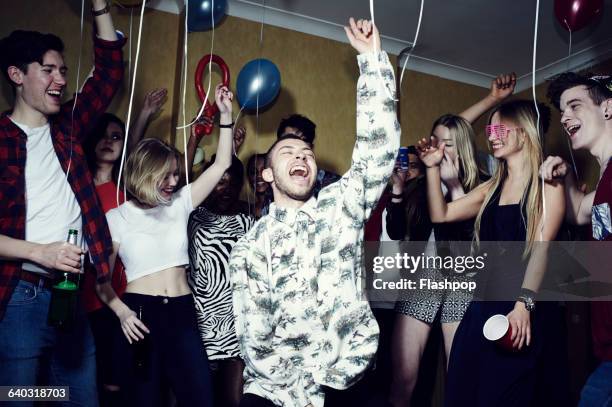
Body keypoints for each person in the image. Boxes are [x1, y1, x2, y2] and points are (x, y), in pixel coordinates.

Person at [228, 17, 400, 407]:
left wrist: (372, 61)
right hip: (276, 393)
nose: (301, 156)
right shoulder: (251, 245)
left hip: (346, 382)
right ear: (267, 174)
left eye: (306, 153)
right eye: (287, 152)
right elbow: (253, 333)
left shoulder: (341, 208)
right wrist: (299, 393)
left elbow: (378, 149)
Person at [0, 2, 124, 403]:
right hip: (22, 296)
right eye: (48, 69)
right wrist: (42, 252)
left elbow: (108, 74)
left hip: (71, 295)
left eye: (63, 70)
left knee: (78, 397)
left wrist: (101, 5)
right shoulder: (1, 139)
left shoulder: (67, 128)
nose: (60, 79)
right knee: (20, 397)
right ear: (17, 75)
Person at [95, 83, 234, 406]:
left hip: (184, 315)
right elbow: (101, 280)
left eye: (175, 174)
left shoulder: (180, 203)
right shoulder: (117, 218)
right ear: (146, 173)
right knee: (144, 400)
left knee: (201, 399)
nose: (174, 181)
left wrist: (225, 115)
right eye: (167, 175)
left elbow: (221, 163)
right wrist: (122, 313)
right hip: (140, 316)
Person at [420, 100, 566, 405]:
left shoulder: (547, 185)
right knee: (463, 392)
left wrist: (524, 305)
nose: (492, 135)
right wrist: (432, 168)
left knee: (508, 394)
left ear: (524, 133)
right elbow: (441, 214)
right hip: (482, 308)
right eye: (489, 129)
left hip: (523, 307)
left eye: (499, 128)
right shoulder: (492, 187)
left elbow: (542, 249)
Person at [389, 115, 487, 407]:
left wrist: (456, 188)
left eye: (448, 143)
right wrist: (397, 191)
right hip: (423, 279)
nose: (440, 149)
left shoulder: (483, 183)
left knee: (458, 375)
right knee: (403, 378)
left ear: (463, 148)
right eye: (436, 142)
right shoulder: (420, 187)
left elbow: (477, 246)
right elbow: (397, 231)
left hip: (463, 282)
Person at [81, 88, 166, 406]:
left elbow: (134, 155)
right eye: (103, 135)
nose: (108, 141)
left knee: (121, 377)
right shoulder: (80, 185)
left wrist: (144, 114)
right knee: (88, 377)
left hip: (123, 296)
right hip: (85, 295)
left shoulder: (125, 190)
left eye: (115, 136)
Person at [541, 73, 612, 406]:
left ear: (608, 108)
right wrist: (564, 178)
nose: (565, 116)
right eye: (562, 110)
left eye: (575, 105)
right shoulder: (604, 184)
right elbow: (578, 212)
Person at [187, 154, 254, 407]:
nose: (226, 190)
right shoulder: (192, 217)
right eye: (220, 182)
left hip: (236, 327)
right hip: (198, 324)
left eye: (233, 183)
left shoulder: (248, 221)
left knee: (233, 402)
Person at [277, 113, 342, 195]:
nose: (296, 145)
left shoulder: (334, 185)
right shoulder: (273, 183)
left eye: (303, 141)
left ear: (311, 148)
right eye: (289, 139)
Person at [246, 153, 271, 219]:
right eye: (254, 172)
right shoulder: (246, 209)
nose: (259, 176)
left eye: (263, 170)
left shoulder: (281, 204)